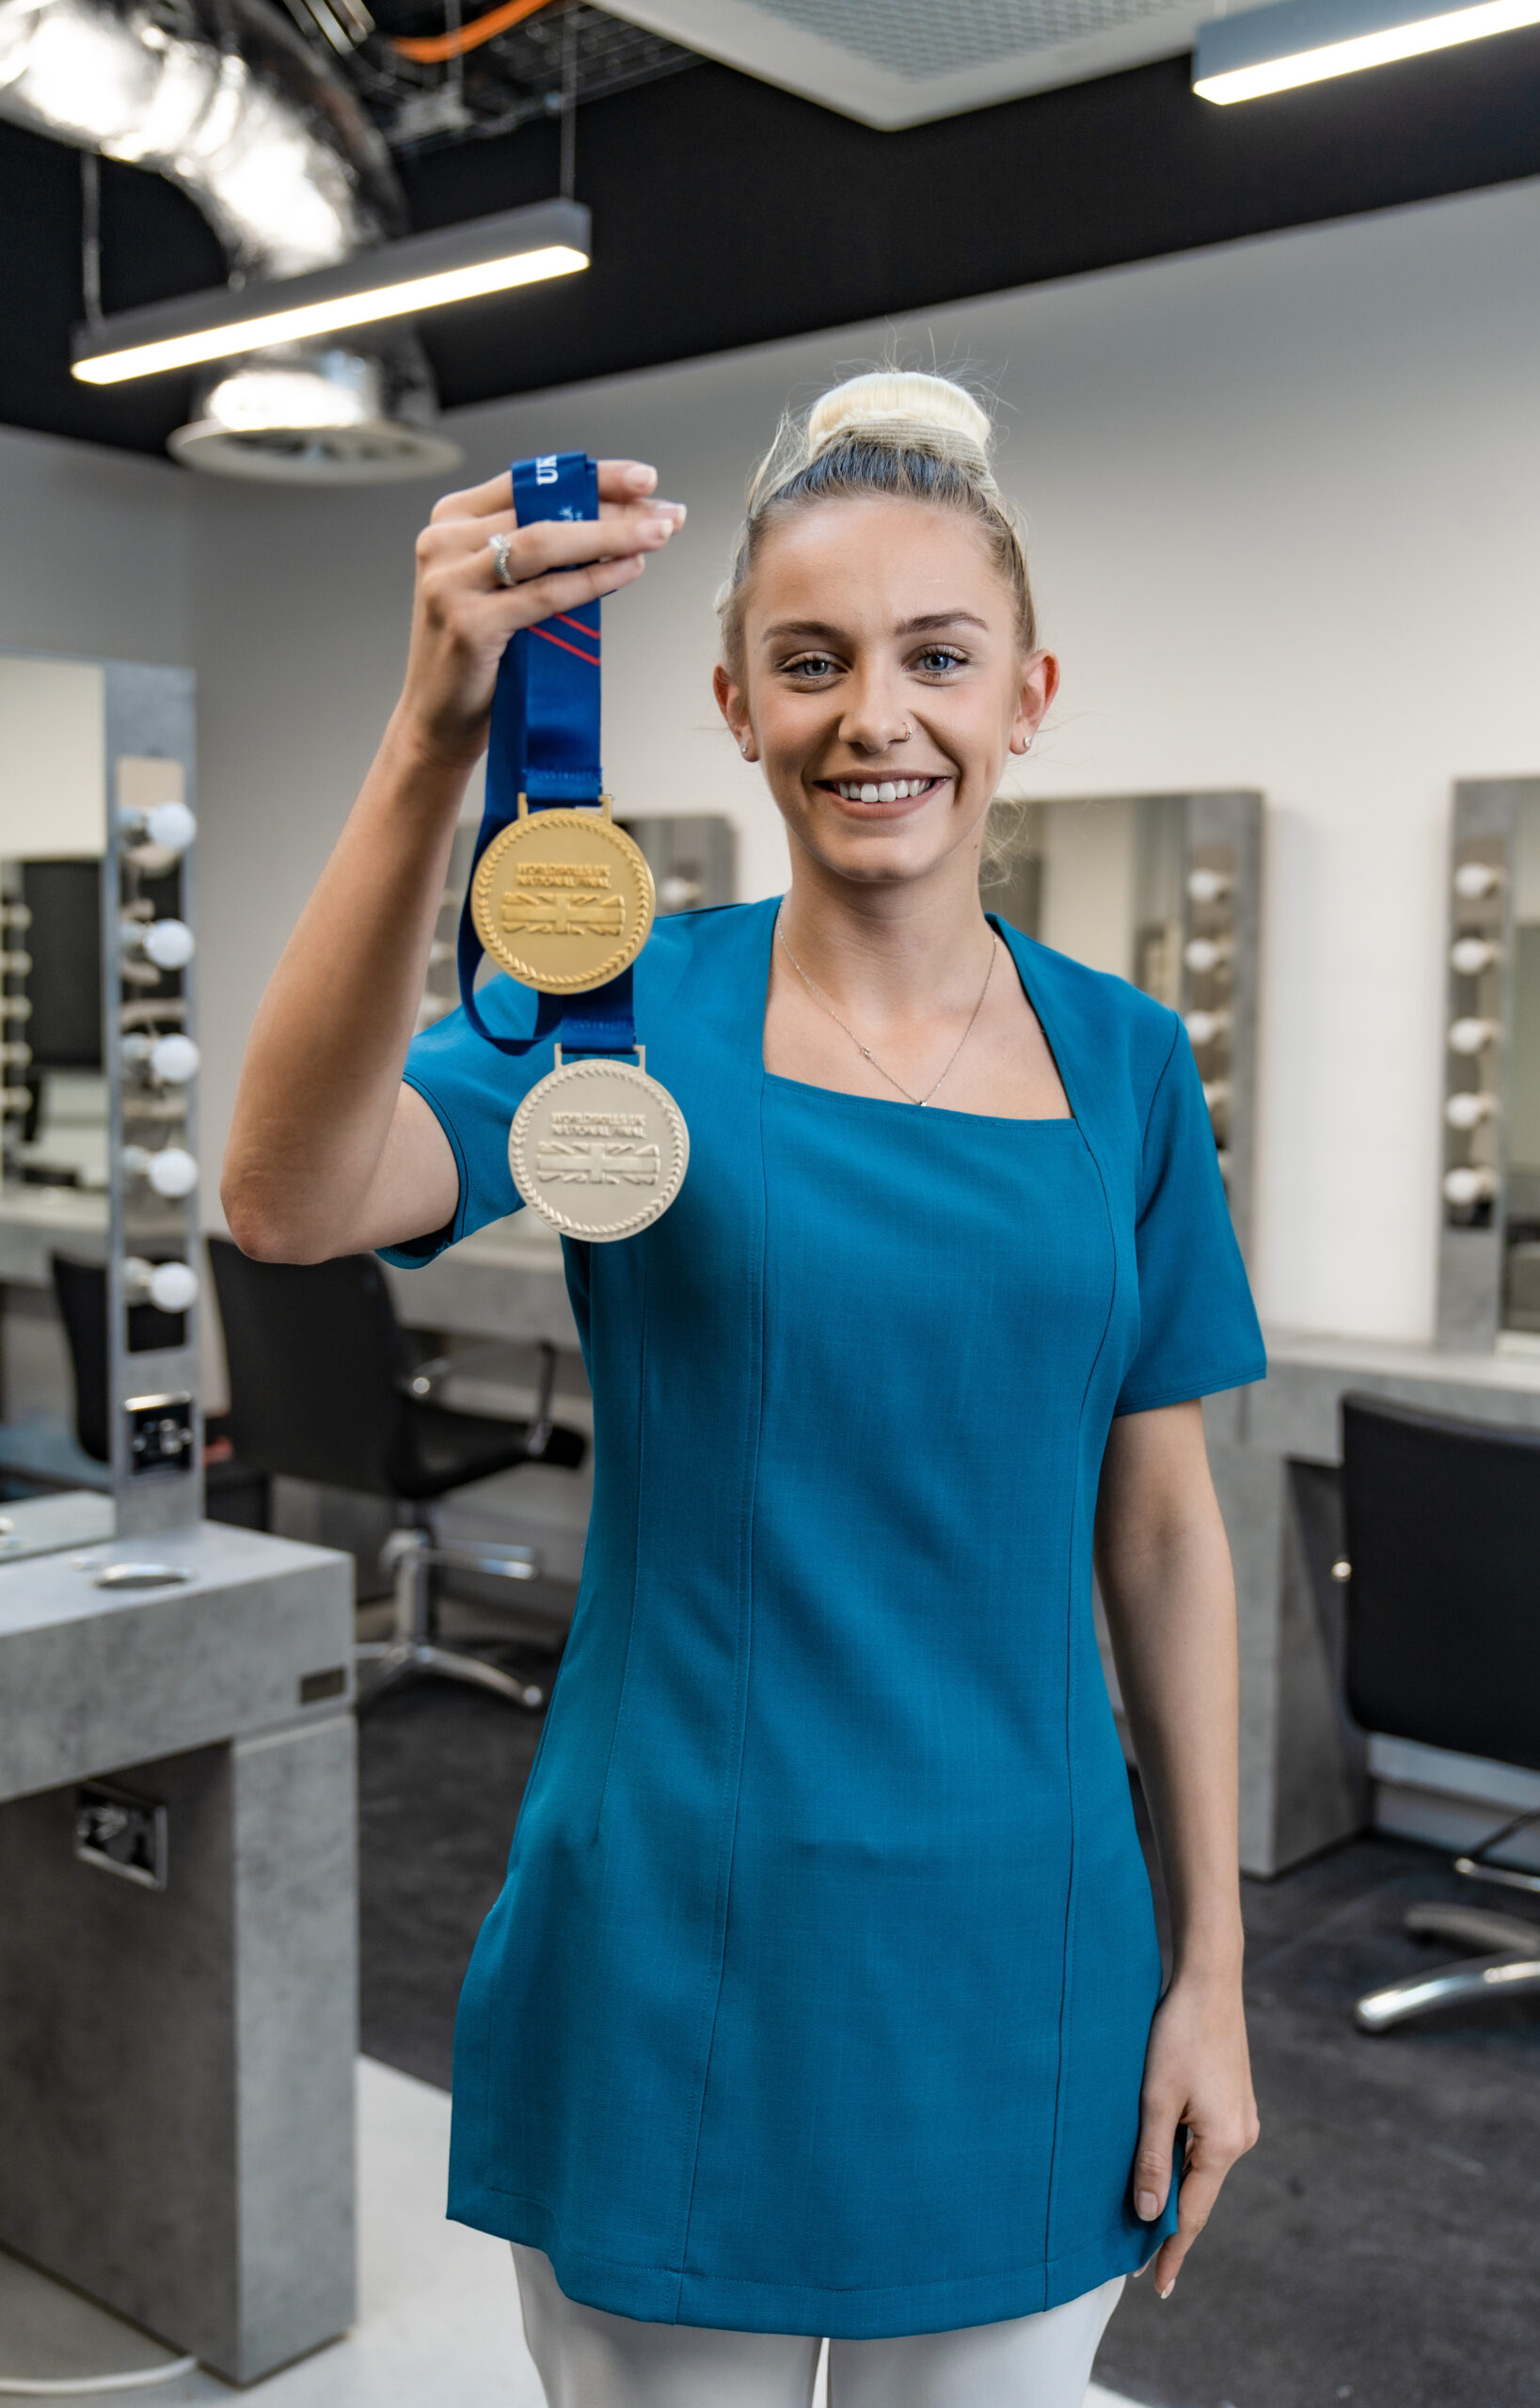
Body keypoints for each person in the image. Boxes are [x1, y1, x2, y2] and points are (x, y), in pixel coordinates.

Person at [224, 370, 1263, 2408]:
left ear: (1025, 692)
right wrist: (435, 726)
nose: (874, 715)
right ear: (733, 705)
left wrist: (1212, 1970)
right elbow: (285, 1196)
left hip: (1017, 1961)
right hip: (675, 1937)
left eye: (932, 656)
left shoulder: (1127, 1063)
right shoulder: (615, 1011)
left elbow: (1157, 1527)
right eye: (810, 662)